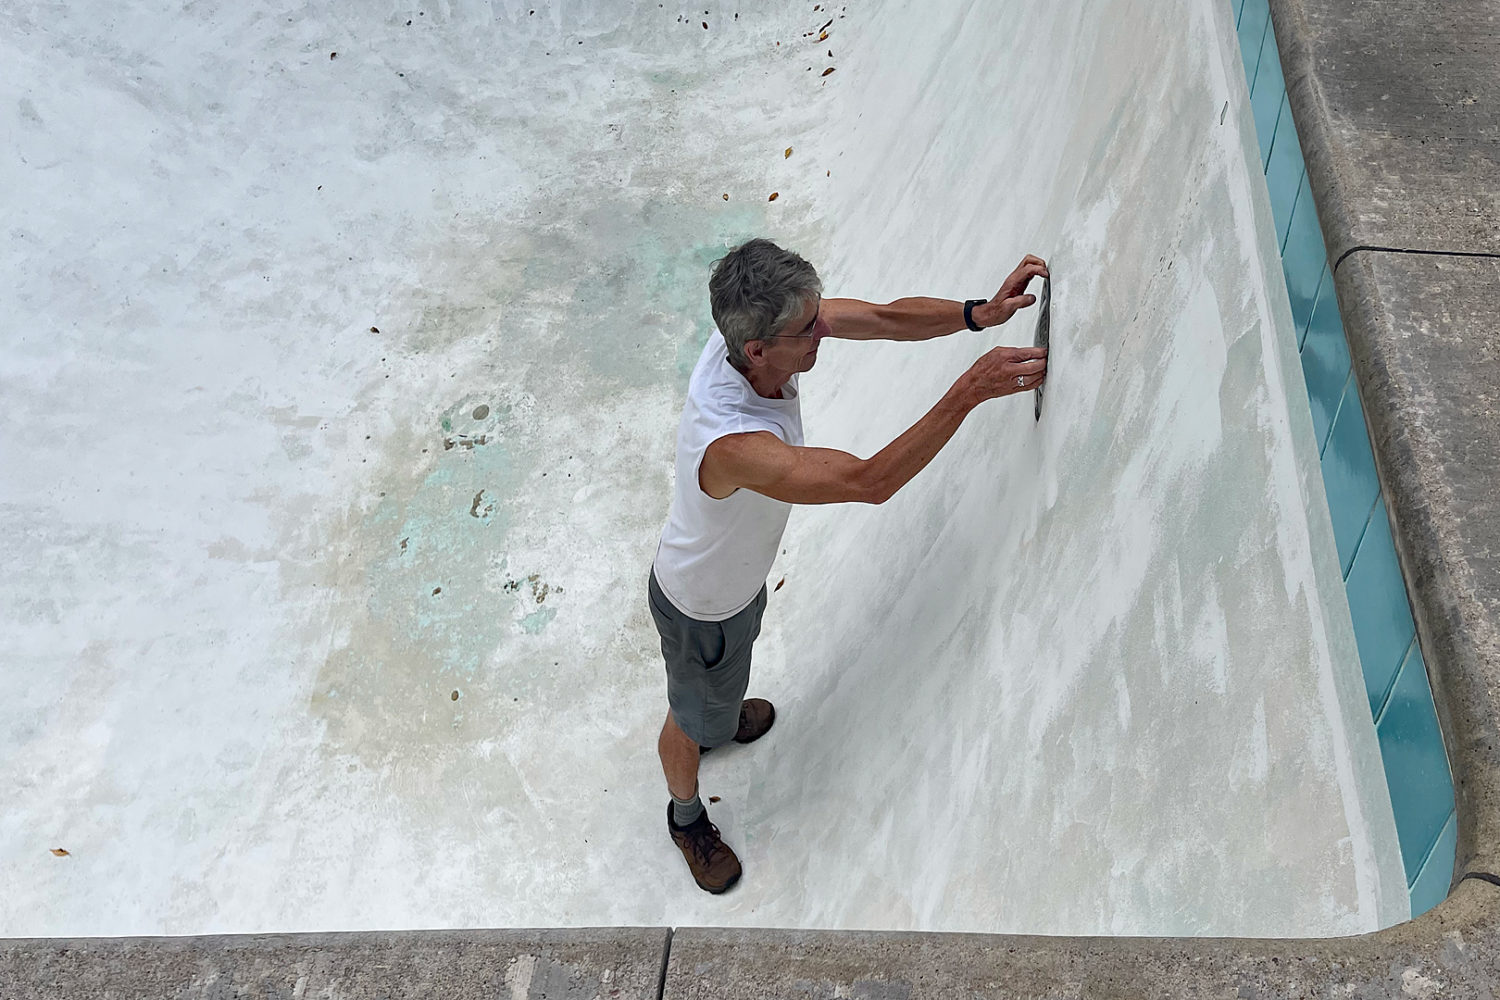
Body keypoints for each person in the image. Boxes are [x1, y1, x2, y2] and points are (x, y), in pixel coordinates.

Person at [647, 238, 1049, 893]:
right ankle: (686, 813)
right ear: (758, 350)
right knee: (688, 720)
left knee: (719, 693)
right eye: (810, 329)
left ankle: (717, 717)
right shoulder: (735, 443)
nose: (824, 330)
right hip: (699, 609)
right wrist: (969, 391)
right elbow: (869, 481)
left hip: (736, 591)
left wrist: (979, 313)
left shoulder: (758, 336)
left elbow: (886, 318)